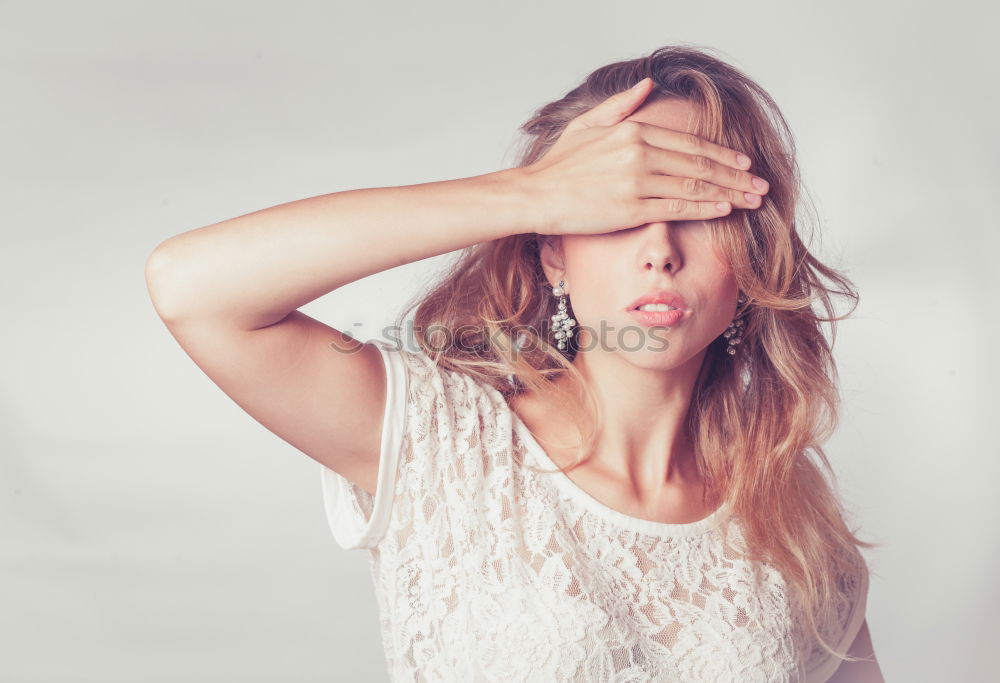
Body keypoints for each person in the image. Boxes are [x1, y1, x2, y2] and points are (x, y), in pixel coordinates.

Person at [145, 44, 884, 682]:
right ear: (552, 250)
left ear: (753, 257)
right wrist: (532, 192)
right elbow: (191, 288)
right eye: (620, 207)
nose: (660, 248)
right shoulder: (436, 438)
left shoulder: (785, 501)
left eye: (696, 208)